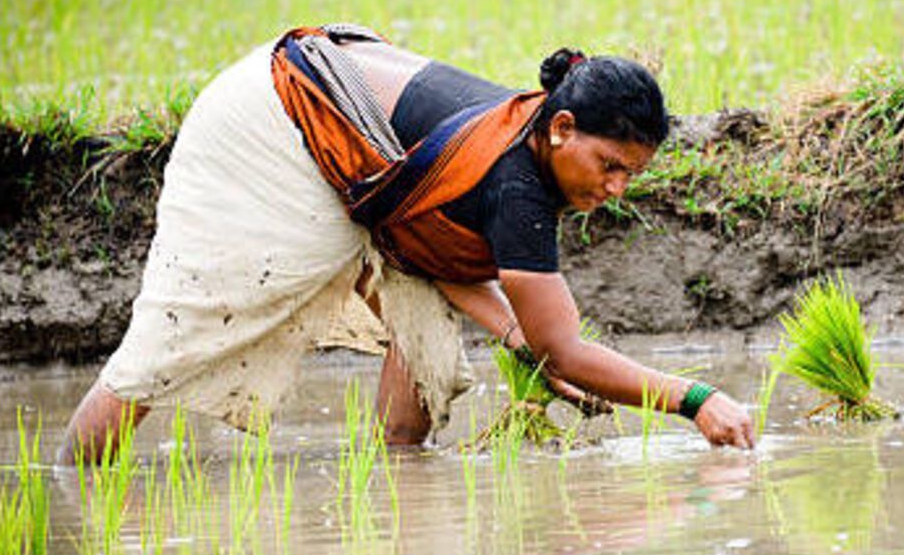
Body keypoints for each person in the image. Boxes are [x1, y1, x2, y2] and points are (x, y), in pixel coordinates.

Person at [60, 24, 755, 462]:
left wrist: (515, 334)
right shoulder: (518, 186)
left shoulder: (529, 140)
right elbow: (560, 346)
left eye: (632, 175)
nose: (617, 190)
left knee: (423, 342)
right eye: (611, 167)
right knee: (171, 343)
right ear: (564, 127)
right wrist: (696, 401)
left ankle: (400, 479)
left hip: (338, 130)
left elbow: (428, 236)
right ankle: (75, 487)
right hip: (273, 124)